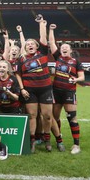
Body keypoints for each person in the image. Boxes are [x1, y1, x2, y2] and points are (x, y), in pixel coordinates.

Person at [15, 15, 62, 153]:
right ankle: (32, 141)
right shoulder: (22, 59)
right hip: (30, 91)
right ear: (25, 47)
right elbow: (18, 74)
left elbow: (43, 38)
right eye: (27, 44)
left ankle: (47, 139)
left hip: (46, 90)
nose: (30, 45)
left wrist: (41, 23)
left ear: (37, 46)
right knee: (32, 116)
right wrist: (22, 88)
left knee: (47, 116)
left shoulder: (42, 53)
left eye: (32, 44)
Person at [49, 24, 85, 154]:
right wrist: (51, 30)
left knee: (72, 118)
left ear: (70, 50)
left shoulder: (76, 62)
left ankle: (76, 145)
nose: (63, 48)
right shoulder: (58, 57)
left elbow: (82, 77)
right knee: (55, 117)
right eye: (62, 47)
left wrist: (76, 79)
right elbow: (51, 42)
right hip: (56, 92)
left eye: (66, 48)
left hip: (69, 92)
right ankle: (59, 137)